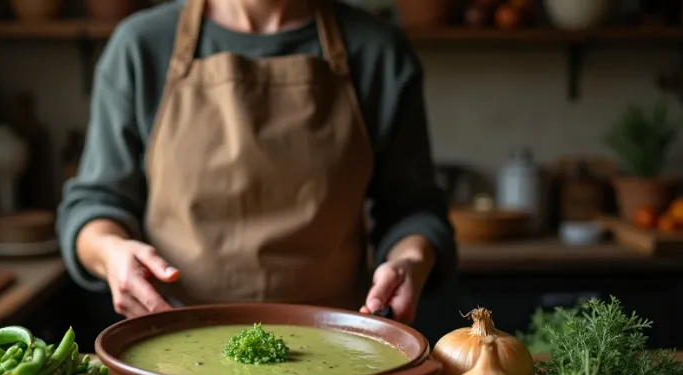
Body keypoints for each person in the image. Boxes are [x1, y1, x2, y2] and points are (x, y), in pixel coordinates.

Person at [57, 0, 457, 324]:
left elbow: (413, 209)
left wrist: (410, 260)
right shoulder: (142, 45)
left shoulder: (378, 52)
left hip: (338, 342)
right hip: (172, 338)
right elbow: (96, 203)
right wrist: (111, 252)